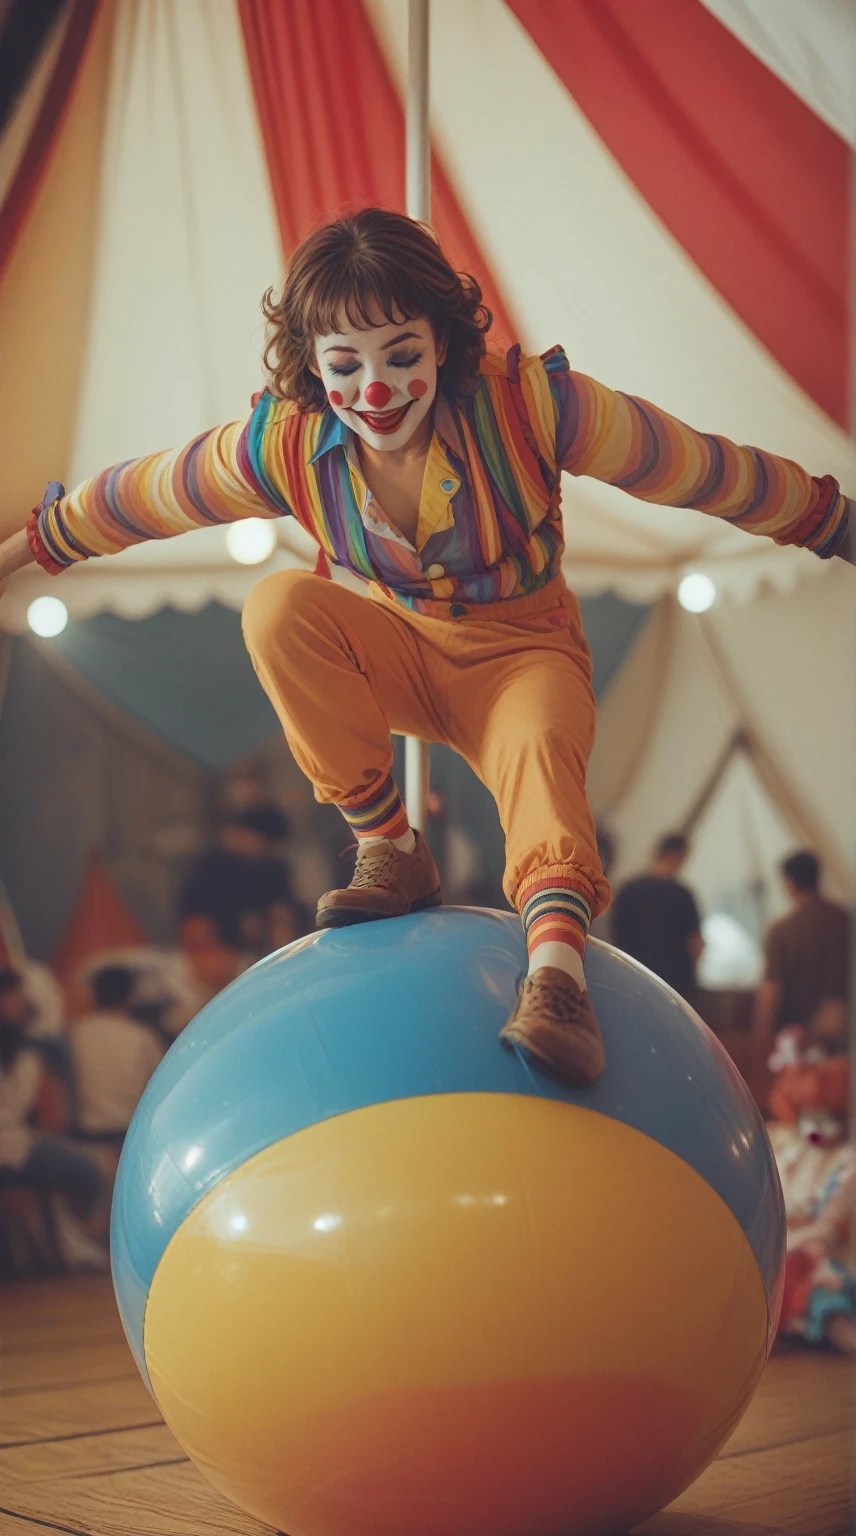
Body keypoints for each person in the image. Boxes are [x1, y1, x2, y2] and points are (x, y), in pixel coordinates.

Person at [0, 208, 852, 1087]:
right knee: (280, 606)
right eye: (345, 366)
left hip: (524, 656)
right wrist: (23, 554)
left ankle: (557, 981)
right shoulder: (285, 443)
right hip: (397, 652)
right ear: (312, 364)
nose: (375, 390)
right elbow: (143, 496)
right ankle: (392, 848)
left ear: (443, 342)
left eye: (401, 355)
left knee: (539, 758)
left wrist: (832, 522)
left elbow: (703, 469)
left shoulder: (533, 406)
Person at [0, 968, 104, 1243]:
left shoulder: (27, 1047)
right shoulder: (26, 1050)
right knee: (87, 1170)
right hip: (11, 1147)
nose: (23, 1002)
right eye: (15, 997)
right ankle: (86, 1241)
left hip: (17, 1141)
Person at [753, 851, 850, 1053]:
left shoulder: (782, 931)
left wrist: (762, 1036)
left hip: (798, 1040)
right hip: (845, 1037)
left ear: (790, 883)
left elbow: (771, 990)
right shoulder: (846, 921)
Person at [177, 805, 297, 957]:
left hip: (263, 947)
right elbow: (195, 910)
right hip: (217, 942)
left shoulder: (272, 866)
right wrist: (236, 923)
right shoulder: (211, 864)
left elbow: (281, 905)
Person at [69, 965, 164, 1146]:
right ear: (131, 996)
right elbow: (160, 1087)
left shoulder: (76, 1033)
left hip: (87, 1136)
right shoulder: (142, 1036)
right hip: (132, 1135)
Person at [610, 834, 704, 1002]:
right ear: (677, 856)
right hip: (675, 987)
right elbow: (696, 943)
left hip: (635, 981)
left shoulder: (627, 891)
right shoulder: (682, 894)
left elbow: (616, 939)